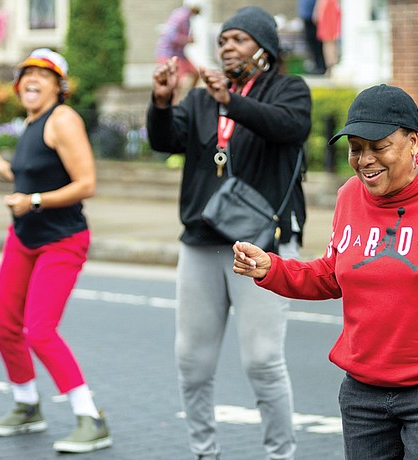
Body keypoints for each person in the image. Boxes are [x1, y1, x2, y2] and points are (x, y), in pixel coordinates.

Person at [232, 84, 418, 459]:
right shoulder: (349, 196)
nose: (365, 160)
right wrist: (272, 268)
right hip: (364, 389)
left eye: (379, 147)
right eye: (356, 148)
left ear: (412, 141)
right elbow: (332, 273)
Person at [147, 6, 311, 460]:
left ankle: (280, 454)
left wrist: (231, 102)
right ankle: (205, 452)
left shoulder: (289, 90)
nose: (227, 48)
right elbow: (165, 140)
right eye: (222, 41)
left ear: (265, 48)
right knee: (192, 363)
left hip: (262, 246)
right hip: (201, 243)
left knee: (262, 361)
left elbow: (289, 127)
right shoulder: (200, 99)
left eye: (238, 39)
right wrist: (162, 103)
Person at [0, 48, 112, 454]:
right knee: (2, 323)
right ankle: (26, 406)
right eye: (25, 75)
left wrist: (32, 200)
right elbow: (35, 174)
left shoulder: (63, 119)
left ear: (59, 86)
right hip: (24, 237)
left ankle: (91, 418)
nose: (31, 80)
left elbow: (86, 183)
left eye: (42, 74)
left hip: (61, 239)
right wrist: (5, 170)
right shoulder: (32, 123)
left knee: (39, 330)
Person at [155, 3, 202, 102]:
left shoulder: (187, 18)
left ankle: (188, 99)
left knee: (195, 73)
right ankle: (172, 107)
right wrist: (187, 40)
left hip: (180, 54)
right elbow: (169, 35)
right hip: (169, 53)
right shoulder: (180, 15)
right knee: (174, 82)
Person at [298, 0, 326, 74]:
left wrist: (317, 12)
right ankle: (316, 64)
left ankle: (321, 66)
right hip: (306, 15)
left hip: (314, 17)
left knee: (317, 42)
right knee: (310, 40)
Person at [314, 0, 341, 76]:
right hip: (331, 8)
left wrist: (318, 11)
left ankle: (331, 67)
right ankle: (332, 67)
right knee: (330, 41)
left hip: (327, 9)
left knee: (328, 41)